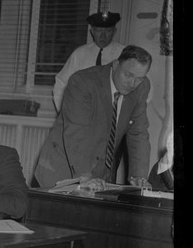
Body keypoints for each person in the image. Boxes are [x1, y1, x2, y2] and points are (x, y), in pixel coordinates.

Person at [34, 45, 152, 191]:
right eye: (128, 75)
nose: (133, 84)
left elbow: (138, 133)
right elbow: (77, 133)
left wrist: (139, 176)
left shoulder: (142, 87)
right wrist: (84, 177)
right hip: (61, 170)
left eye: (139, 78)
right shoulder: (83, 82)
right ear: (115, 65)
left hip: (99, 174)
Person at [52, 10, 125, 113]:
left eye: (107, 31)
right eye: (99, 30)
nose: (103, 36)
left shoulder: (125, 54)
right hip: (84, 114)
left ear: (114, 31)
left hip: (113, 116)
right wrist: (64, 113)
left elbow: (144, 88)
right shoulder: (79, 54)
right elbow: (61, 83)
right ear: (92, 31)